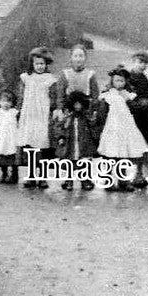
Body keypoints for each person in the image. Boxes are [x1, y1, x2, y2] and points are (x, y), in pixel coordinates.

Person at [97, 67, 148, 191]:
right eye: (116, 81)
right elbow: (103, 111)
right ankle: (108, 180)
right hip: (112, 128)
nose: (119, 83)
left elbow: (135, 108)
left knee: (123, 154)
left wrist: (128, 100)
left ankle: (123, 180)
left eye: (121, 81)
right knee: (110, 154)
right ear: (112, 81)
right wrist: (102, 125)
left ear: (125, 82)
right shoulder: (108, 94)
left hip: (126, 127)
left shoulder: (128, 94)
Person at [55, 44, 100, 191]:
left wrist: (91, 110)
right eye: (75, 56)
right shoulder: (65, 74)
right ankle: (68, 179)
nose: (78, 59)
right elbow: (60, 95)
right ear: (71, 58)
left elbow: (95, 96)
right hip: (69, 115)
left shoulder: (90, 75)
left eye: (81, 56)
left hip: (84, 117)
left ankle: (85, 178)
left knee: (84, 146)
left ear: (85, 58)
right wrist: (61, 110)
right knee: (68, 146)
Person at [16, 46, 60, 189]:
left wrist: (52, 112)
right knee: (29, 146)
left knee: (43, 147)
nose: (40, 66)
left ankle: (43, 177)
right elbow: (21, 96)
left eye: (42, 64)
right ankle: (31, 175)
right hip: (29, 116)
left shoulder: (50, 79)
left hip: (42, 117)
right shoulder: (26, 78)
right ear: (32, 64)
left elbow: (53, 98)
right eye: (37, 64)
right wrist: (19, 110)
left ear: (46, 64)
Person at [125, 52, 148, 187]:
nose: (142, 65)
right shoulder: (128, 77)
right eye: (139, 62)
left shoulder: (144, 78)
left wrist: (147, 104)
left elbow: (147, 97)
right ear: (133, 61)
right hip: (131, 116)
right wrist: (138, 104)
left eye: (145, 63)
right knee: (128, 146)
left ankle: (139, 174)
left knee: (142, 145)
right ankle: (124, 176)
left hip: (143, 117)